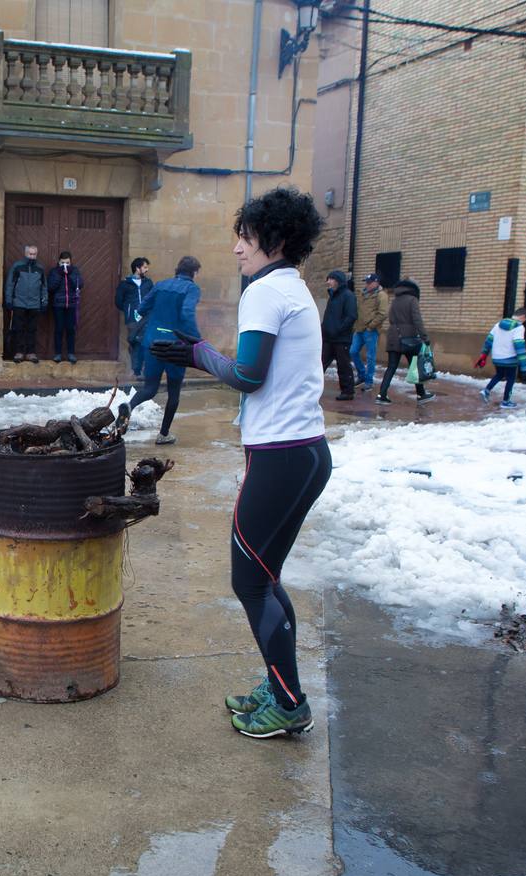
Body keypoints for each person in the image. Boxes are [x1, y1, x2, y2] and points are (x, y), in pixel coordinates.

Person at [148, 186, 330, 739]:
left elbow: (248, 375)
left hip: (279, 457)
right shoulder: (295, 289)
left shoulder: (264, 292)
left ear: (274, 240)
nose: (235, 248)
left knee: (250, 582)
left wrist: (196, 353)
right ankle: (281, 688)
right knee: (266, 577)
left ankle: (290, 703)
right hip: (308, 455)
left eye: (245, 237)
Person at [127, 255, 201, 445]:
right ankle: (164, 434)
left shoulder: (160, 285)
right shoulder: (191, 288)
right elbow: (186, 313)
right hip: (175, 347)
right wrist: (197, 341)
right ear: (194, 273)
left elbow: (142, 308)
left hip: (152, 342)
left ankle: (128, 407)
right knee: (174, 392)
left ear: (177, 269)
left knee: (150, 388)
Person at [375, 279, 435, 405]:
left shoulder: (395, 300)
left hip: (393, 338)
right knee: (416, 366)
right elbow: (417, 319)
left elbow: (390, 317)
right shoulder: (412, 300)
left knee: (391, 367)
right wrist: (425, 337)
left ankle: (382, 394)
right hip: (409, 339)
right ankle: (421, 394)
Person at [475, 307, 526, 409]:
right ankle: (506, 401)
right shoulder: (519, 327)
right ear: (522, 317)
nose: (524, 322)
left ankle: (486, 391)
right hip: (510, 358)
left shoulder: (498, 325)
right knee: (510, 379)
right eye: (525, 320)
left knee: (499, 375)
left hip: (497, 357)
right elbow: (519, 345)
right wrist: (524, 365)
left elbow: (489, 340)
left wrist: (484, 355)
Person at [4, 245, 47, 363]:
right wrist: (9, 300)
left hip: (34, 304)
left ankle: (30, 353)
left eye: (34, 254)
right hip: (19, 303)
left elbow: (44, 287)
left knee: (32, 329)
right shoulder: (17, 266)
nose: (32, 256)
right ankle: (19, 352)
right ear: (25, 253)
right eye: (30, 254)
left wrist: (44, 302)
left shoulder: (40, 268)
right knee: (19, 329)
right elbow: (10, 284)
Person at [321, 270, 358, 401]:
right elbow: (329, 316)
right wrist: (324, 329)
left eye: (331, 279)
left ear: (338, 281)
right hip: (328, 338)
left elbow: (351, 316)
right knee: (320, 364)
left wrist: (338, 329)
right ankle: (313, 388)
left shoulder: (348, 296)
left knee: (343, 366)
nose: (328, 282)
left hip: (341, 339)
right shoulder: (332, 296)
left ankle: (348, 391)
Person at [115, 257, 153, 377]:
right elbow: (118, 301)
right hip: (132, 319)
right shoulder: (125, 284)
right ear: (137, 268)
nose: (147, 270)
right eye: (145, 267)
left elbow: (153, 297)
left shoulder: (148, 283)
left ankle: (143, 370)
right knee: (135, 342)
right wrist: (129, 311)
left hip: (146, 318)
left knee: (145, 342)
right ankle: (136, 370)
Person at [351, 273, 386, 389]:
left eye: (369, 282)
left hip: (370, 330)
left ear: (376, 283)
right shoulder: (362, 294)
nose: (367, 284)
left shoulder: (381, 295)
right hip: (359, 328)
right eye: (366, 282)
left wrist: (371, 326)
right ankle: (362, 374)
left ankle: (369, 381)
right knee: (353, 351)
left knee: (370, 356)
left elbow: (382, 313)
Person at [48, 250, 83, 364]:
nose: (65, 265)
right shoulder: (54, 272)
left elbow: (80, 284)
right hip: (59, 304)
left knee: (70, 329)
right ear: (59, 262)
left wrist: (70, 274)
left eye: (67, 263)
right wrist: (60, 274)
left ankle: (71, 353)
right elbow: (51, 287)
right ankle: (58, 354)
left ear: (70, 262)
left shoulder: (75, 271)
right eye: (63, 262)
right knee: (59, 329)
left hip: (71, 304)